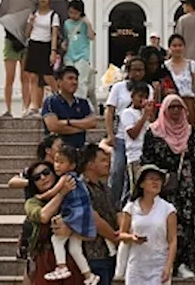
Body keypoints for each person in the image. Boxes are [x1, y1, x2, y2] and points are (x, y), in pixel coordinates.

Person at [140, 94, 195, 279]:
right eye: (172, 107)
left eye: (179, 107)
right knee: (162, 224)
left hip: (185, 187)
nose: (176, 111)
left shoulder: (190, 131)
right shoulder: (153, 132)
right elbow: (146, 160)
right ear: (164, 110)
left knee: (184, 224)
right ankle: (162, 261)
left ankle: (183, 262)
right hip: (161, 188)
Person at [72, 143, 119, 285]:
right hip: (91, 254)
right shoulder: (81, 187)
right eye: (103, 160)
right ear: (90, 164)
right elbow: (93, 218)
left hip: (107, 253)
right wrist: (117, 236)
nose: (107, 164)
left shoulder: (103, 187)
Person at [10, 136, 64, 285]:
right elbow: (12, 182)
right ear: (48, 150)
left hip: (59, 224)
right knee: (30, 266)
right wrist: (32, 183)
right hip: (35, 224)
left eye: (45, 174)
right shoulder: (34, 169)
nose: (43, 177)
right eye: (58, 146)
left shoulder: (61, 170)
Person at [35, 144, 100, 285]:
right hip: (83, 215)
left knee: (57, 240)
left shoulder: (66, 178)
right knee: (74, 248)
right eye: (56, 161)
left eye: (61, 162)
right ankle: (89, 276)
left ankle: (61, 266)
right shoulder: (79, 179)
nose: (57, 165)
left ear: (72, 165)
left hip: (75, 215)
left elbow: (53, 192)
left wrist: (41, 197)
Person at [105, 57, 153, 206]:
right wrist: (110, 134)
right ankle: (112, 205)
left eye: (141, 70)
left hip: (140, 139)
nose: (138, 73)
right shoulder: (118, 88)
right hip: (121, 136)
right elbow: (110, 111)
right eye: (135, 70)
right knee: (117, 171)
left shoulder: (148, 88)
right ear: (128, 71)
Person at [23, 0, 62, 116]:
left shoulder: (53, 15)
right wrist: (31, 22)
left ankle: (59, 100)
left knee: (48, 76)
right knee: (33, 76)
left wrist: (53, 51)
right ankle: (34, 105)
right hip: (34, 44)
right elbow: (27, 34)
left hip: (46, 45)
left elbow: (54, 34)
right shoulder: (33, 14)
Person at [43, 65, 99, 149]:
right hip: (58, 151)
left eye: (76, 79)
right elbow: (53, 126)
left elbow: (92, 122)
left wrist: (68, 122)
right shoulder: (51, 101)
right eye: (70, 78)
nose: (74, 82)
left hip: (79, 150)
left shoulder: (83, 102)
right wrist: (81, 128)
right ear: (59, 82)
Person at [119, 82, 154, 206]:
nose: (142, 100)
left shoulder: (145, 114)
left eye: (145, 97)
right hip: (135, 156)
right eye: (140, 96)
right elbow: (133, 134)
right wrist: (145, 116)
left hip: (146, 155)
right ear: (132, 96)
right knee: (134, 188)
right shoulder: (127, 113)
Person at [162, 33, 195, 127]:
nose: (177, 48)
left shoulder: (192, 65)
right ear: (169, 48)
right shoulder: (164, 66)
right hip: (171, 105)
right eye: (174, 46)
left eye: (180, 45)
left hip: (188, 104)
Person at [63, 0, 97, 102]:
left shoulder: (84, 23)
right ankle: (69, 99)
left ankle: (79, 101)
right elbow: (66, 38)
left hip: (82, 55)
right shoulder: (66, 23)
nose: (72, 15)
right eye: (70, 12)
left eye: (75, 13)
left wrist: (88, 24)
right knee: (68, 78)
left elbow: (91, 37)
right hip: (69, 55)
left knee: (81, 80)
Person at [2, 31, 27, 117]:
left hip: (25, 41)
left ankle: (25, 108)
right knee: (9, 77)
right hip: (10, 41)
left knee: (25, 78)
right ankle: (8, 109)